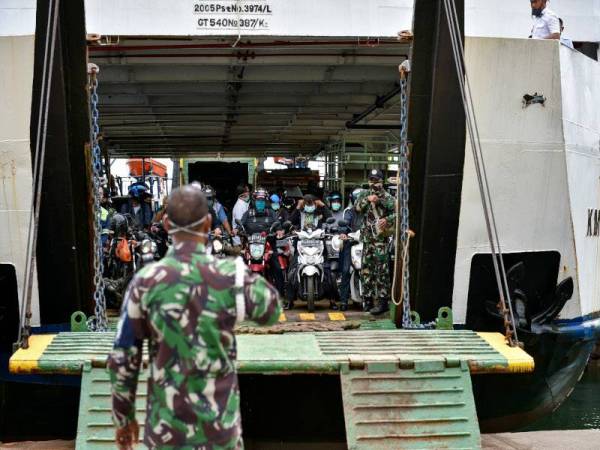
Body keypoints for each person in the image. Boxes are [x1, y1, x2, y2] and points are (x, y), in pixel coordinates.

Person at [107, 184, 281, 450]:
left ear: (166, 223)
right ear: (208, 222)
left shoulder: (145, 283)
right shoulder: (230, 276)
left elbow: (123, 358)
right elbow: (271, 312)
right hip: (219, 433)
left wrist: (123, 418)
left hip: (166, 434)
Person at [355, 169, 396, 315]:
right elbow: (357, 207)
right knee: (366, 271)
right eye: (372, 180)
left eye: (377, 180)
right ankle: (368, 300)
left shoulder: (388, 197)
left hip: (380, 240)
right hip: (367, 239)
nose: (374, 183)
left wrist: (387, 219)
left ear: (382, 181)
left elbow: (396, 213)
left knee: (381, 271)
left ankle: (383, 302)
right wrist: (368, 200)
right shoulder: (364, 194)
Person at [240, 188, 286, 296]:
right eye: (258, 200)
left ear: (265, 201)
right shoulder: (248, 213)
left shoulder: (271, 213)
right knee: (238, 267)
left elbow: (278, 225)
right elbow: (240, 225)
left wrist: (279, 231)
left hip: (268, 246)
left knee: (277, 268)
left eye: (262, 201)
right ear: (254, 201)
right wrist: (237, 230)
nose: (260, 203)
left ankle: (280, 295)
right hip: (251, 247)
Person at [338, 188, 365, 311]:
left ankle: (372, 299)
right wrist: (343, 233)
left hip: (366, 243)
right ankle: (343, 301)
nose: (359, 203)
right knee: (346, 270)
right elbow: (345, 223)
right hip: (351, 242)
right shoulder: (349, 211)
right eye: (357, 200)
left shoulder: (369, 210)